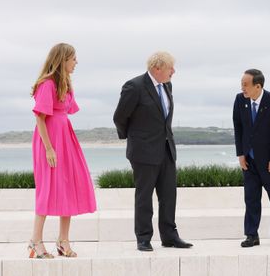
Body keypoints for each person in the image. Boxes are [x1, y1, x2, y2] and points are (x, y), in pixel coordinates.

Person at [113, 51, 192, 252]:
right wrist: (135, 139)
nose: (173, 71)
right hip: (143, 151)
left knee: (168, 195)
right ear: (157, 68)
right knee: (144, 196)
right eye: (170, 68)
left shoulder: (167, 86)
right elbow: (120, 117)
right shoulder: (134, 86)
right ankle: (143, 238)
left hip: (166, 149)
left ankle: (169, 236)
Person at [29, 43, 97, 258]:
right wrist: (49, 148)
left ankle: (63, 240)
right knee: (47, 189)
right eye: (73, 58)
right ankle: (35, 241)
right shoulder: (47, 84)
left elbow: (67, 112)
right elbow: (40, 118)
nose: (76, 62)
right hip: (49, 141)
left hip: (66, 139)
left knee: (68, 185)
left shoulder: (65, 84)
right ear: (63, 59)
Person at [233, 69, 270, 248]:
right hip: (249, 161)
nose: (242, 88)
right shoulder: (240, 100)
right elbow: (238, 128)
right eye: (241, 84)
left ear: (258, 86)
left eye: (245, 85)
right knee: (251, 199)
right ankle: (251, 235)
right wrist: (241, 154)